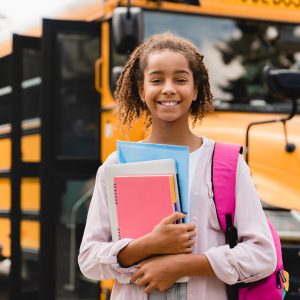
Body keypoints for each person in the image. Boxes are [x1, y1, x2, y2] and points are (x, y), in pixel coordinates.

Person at [78, 33, 276, 300]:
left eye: (181, 79)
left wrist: (183, 264)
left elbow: (263, 255)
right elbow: (89, 259)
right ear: (141, 90)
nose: (168, 88)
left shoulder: (227, 162)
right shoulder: (117, 165)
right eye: (156, 80)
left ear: (195, 90)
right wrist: (146, 245)